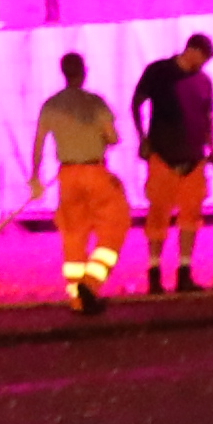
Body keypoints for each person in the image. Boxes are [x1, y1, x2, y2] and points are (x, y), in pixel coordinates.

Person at [38, 51, 128, 314]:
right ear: (83, 72)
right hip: (94, 172)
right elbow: (112, 138)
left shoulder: (51, 105)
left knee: (73, 235)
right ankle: (90, 284)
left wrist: (34, 178)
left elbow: (39, 143)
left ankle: (76, 300)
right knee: (115, 226)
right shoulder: (95, 103)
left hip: (67, 176)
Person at [135, 34, 213, 295]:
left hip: (194, 157)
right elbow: (136, 103)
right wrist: (143, 138)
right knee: (158, 214)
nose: (205, 63)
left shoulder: (204, 82)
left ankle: (184, 272)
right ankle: (154, 274)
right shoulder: (159, 72)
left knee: (191, 217)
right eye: (204, 57)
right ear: (192, 51)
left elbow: (208, 116)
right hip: (163, 155)